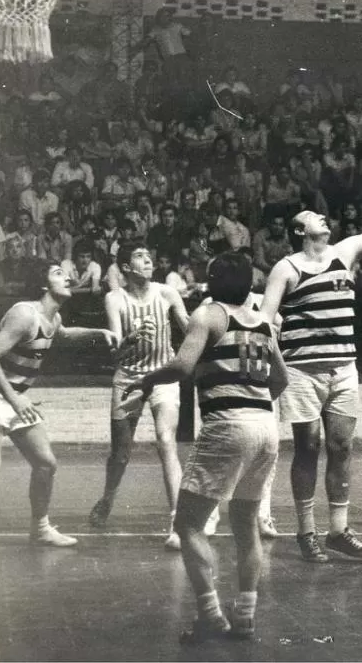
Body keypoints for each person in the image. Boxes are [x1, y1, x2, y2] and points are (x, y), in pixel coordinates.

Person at [259, 145, 362, 563]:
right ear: (299, 231)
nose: (322, 217)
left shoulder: (344, 252)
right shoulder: (286, 268)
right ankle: (305, 531)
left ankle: (338, 530)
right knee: (308, 446)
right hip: (300, 372)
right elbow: (264, 321)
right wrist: (273, 364)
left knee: (342, 446)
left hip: (343, 368)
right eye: (313, 217)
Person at [123, 252, 288, 642]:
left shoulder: (209, 315)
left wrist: (146, 381)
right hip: (266, 427)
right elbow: (280, 379)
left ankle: (211, 615)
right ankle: (245, 615)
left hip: (228, 427)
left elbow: (181, 367)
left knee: (189, 524)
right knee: (246, 524)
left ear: (213, 280)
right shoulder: (263, 320)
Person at [0, 262, 118, 566]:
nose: (67, 276)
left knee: (46, 463)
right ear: (42, 285)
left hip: (15, 396)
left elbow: (62, 334)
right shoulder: (24, 314)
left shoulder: (51, 317)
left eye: (66, 273)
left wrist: (99, 332)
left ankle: (40, 529)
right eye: (57, 273)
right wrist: (14, 399)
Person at [87, 241, 190, 550]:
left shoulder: (167, 293)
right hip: (129, 377)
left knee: (166, 440)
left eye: (150, 255)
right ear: (127, 268)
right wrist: (130, 338)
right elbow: (116, 352)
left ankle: (178, 522)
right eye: (140, 256)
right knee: (120, 454)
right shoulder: (114, 299)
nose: (149, 259)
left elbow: (189, 328)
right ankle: (108, 499)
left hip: (164, 376)